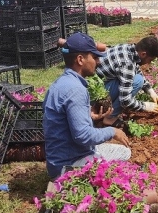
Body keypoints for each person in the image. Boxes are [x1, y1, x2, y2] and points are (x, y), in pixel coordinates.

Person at [43, 32, 132, 180]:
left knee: (120, 153)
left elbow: (61, 120)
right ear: (80, 59)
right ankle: (72, 183)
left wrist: (88, 116)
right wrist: (112, 131)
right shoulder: (76, 90)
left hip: (58, 160)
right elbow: (83, 136)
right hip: (68, 166)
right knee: (124, 155)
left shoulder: (61, 83)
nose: (98, 62)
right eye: (95, 57)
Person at [95, 35, 158, 127]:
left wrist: (151, 92)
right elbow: (125, 100)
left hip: (96, 87)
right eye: (150, 60)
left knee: (136, 78)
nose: (149, 63)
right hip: (93, 97)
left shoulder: (128, 48)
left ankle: (108, 111)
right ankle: (109, 118)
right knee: (137, 81)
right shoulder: (127, 64)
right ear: (143, 54)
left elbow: (136, 70)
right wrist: (144, 106)